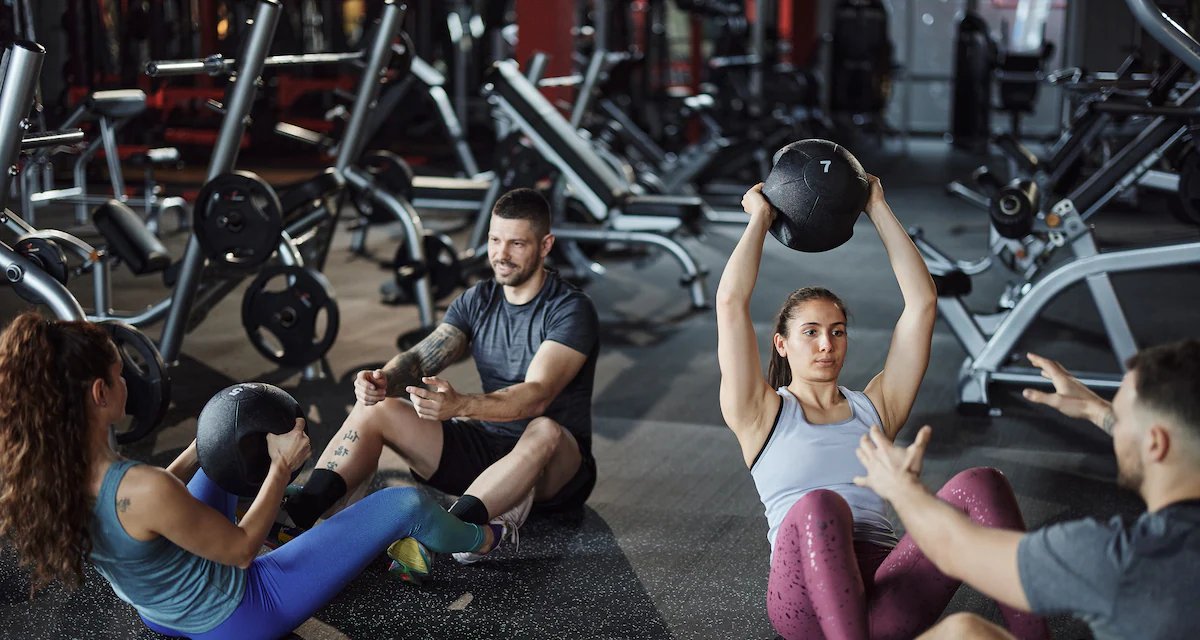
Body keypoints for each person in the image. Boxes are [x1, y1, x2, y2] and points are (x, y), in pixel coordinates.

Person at [0, 312, 499, 640]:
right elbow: (239, 550)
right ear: (98, 393)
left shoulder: (48, 471)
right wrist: (280, 467)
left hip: (162, 612)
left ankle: (292, 520)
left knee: (222, 462)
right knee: (406, 504)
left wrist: (204, 447)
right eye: (118, 374)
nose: (127, 380)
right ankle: (484, 537)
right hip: (240, 614)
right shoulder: (144, 488)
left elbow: (150, 505)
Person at [715, 180, 1049, 639]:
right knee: (821, 504)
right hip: (803, 603)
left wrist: (877, 205)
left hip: (886, 594)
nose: (826, 344)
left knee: (981, 482)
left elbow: (922, 303)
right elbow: (730, 303)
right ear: (782, 344)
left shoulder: (875, 409)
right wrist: (760, 219)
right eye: (810, 332)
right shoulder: (759, 413)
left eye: (837, 331)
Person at [281, 187, 599, 572]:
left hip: (556, 470)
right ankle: (298, 516)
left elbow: (537, 395)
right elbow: (420, 357)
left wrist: (462, 404)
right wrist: (383, 380)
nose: (501, 254)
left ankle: (441, 533)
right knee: (376, 409)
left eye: (516, 243)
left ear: (545, 245)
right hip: (488, 449)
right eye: (494, 240)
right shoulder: (478, 300)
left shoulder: (569, 309)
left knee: (543, 428)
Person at [857, 345, 1200, 640]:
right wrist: (1099, 412)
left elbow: (954, 548)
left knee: (960, 633)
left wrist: (901, 487)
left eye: (1123, 419)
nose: (1116, 424)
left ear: (1155, 443)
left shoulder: (1115, 558)